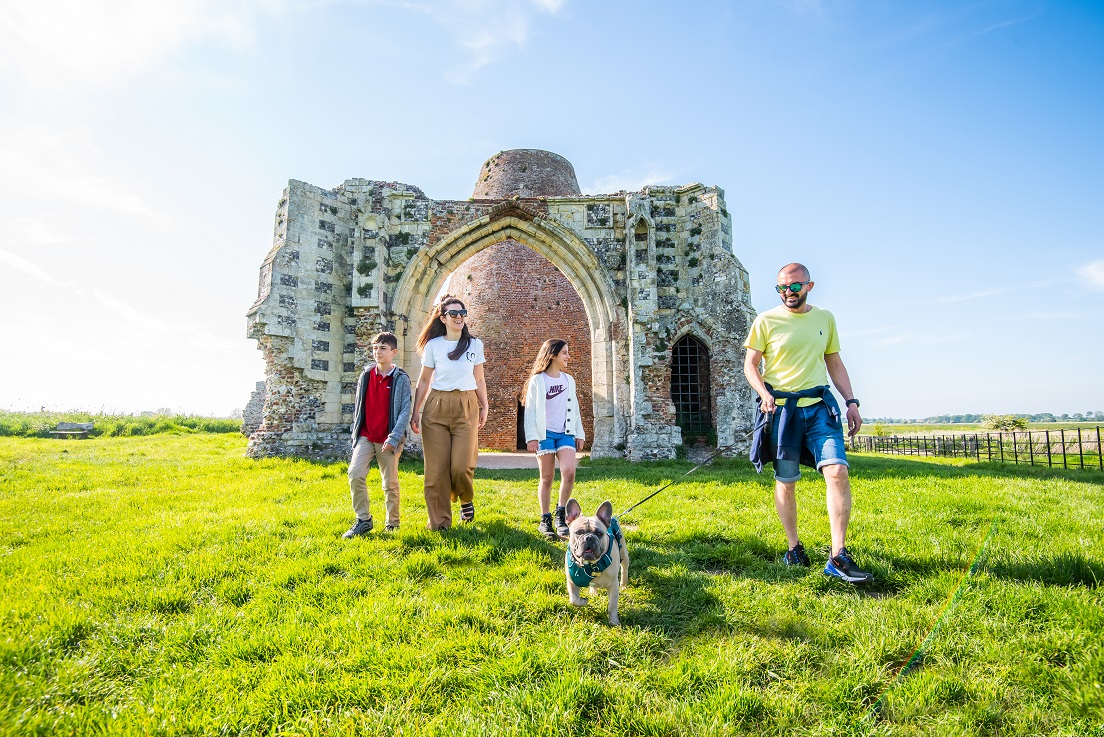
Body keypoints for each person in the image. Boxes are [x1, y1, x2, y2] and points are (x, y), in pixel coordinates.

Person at [743, 262, 873, 583]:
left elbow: (834, 362)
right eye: (782, 287)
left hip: (818, 408)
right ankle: (794, 548)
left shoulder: (825, 319)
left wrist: (851, 402)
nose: (789, 292)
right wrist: (764, 393)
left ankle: (838, 556)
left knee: (838, 470)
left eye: (795, 286)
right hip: (783, 411)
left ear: (809, 286)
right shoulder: (766, 321)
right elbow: (751, 364)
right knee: (786, 481)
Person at [410, 296, 488, 530]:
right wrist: (416, 411)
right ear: (443, 318)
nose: (459, 317)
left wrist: (485, 406)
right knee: (435, 472)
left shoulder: (475, 344)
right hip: (437, 407)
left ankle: (465, 498)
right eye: (453, 314)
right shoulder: (434, 345)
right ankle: (440, 523)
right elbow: (424, 381)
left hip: (467, 405)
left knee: (461, 467)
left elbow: (480, 378)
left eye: (462, 312)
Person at [344, 331, 412, 537]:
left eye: (382, 348)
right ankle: (363, 520)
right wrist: (356, 435)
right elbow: (358, 407)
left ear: (393, 352)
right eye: (375, 348)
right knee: (355, 474)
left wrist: (394, 437)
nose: (377, 352)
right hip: (365, 435)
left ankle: (393, 523)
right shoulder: (365, 375)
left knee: (389, 483)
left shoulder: (401, 379)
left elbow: (404, 411)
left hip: (388, 438)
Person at [522, 339, 586, 540]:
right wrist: (531, 437)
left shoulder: (569, 380)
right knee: (547, 477)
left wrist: (579, 433)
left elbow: (574, 408)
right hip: (544, 434)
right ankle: (545, 519)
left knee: (569, 472)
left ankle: (561, 514)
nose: (568, 356)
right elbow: (530, 410)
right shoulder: (537, 380)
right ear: (553, 355)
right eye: (564, 353)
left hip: (565, 432)